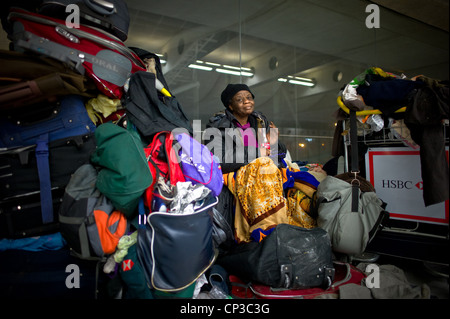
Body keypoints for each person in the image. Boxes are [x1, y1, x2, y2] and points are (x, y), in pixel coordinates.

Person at [206, 83, 287, 174]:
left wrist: (275, 143)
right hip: (237, 181)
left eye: (249, 97)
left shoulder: (261, 122)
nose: (246, 101)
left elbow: (281, 155)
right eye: (239, 99)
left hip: (266, 175)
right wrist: (256, 152)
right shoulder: (218, 126)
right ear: (230, 106)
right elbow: (218, 161)